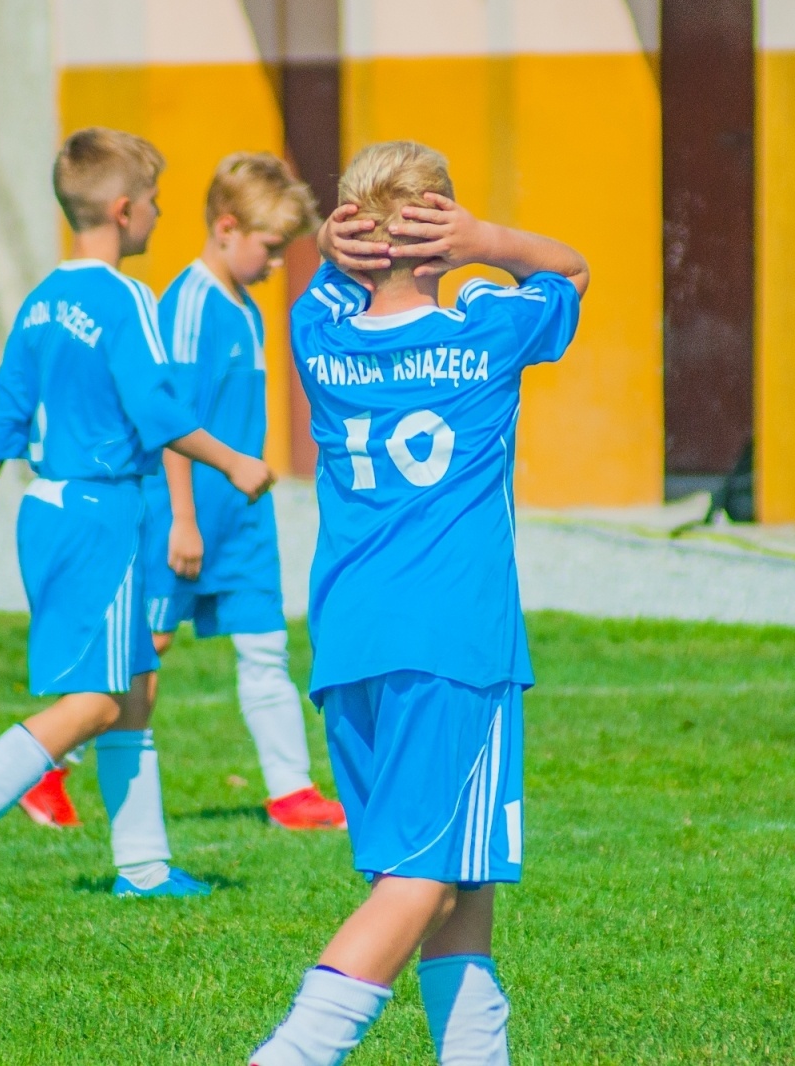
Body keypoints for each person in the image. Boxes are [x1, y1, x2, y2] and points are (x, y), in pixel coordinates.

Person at [249, 141, 588, 1065]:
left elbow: (325, 280)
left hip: (352, 638)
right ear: (441, 231)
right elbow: (570, 270)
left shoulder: (317, 336)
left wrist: (335, 245)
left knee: (460, 882)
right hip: (453, 645)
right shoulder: (486, 327)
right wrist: (489, 239)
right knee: (417, 884)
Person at [0, 127, 274, 901]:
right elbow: (156, 409)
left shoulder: (42, 301)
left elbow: (5, 409)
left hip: (52, 508)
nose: (162, 217)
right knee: (97, 700)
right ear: (126, 210)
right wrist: (234, 460)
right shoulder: (124, 297)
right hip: (98, 518)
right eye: (158, 204)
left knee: (135, 686)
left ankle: (145, 868)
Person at [19, 152, 346, 832]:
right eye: (269, 247)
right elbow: (166, 420)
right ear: (226, 228)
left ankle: (291, 794)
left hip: (244, 519)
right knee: (145, 654)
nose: (277, 262)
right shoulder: (186, 304)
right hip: (184, 517)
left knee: (265, 646)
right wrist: (184, 520)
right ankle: (46, 769)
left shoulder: (246, 307)